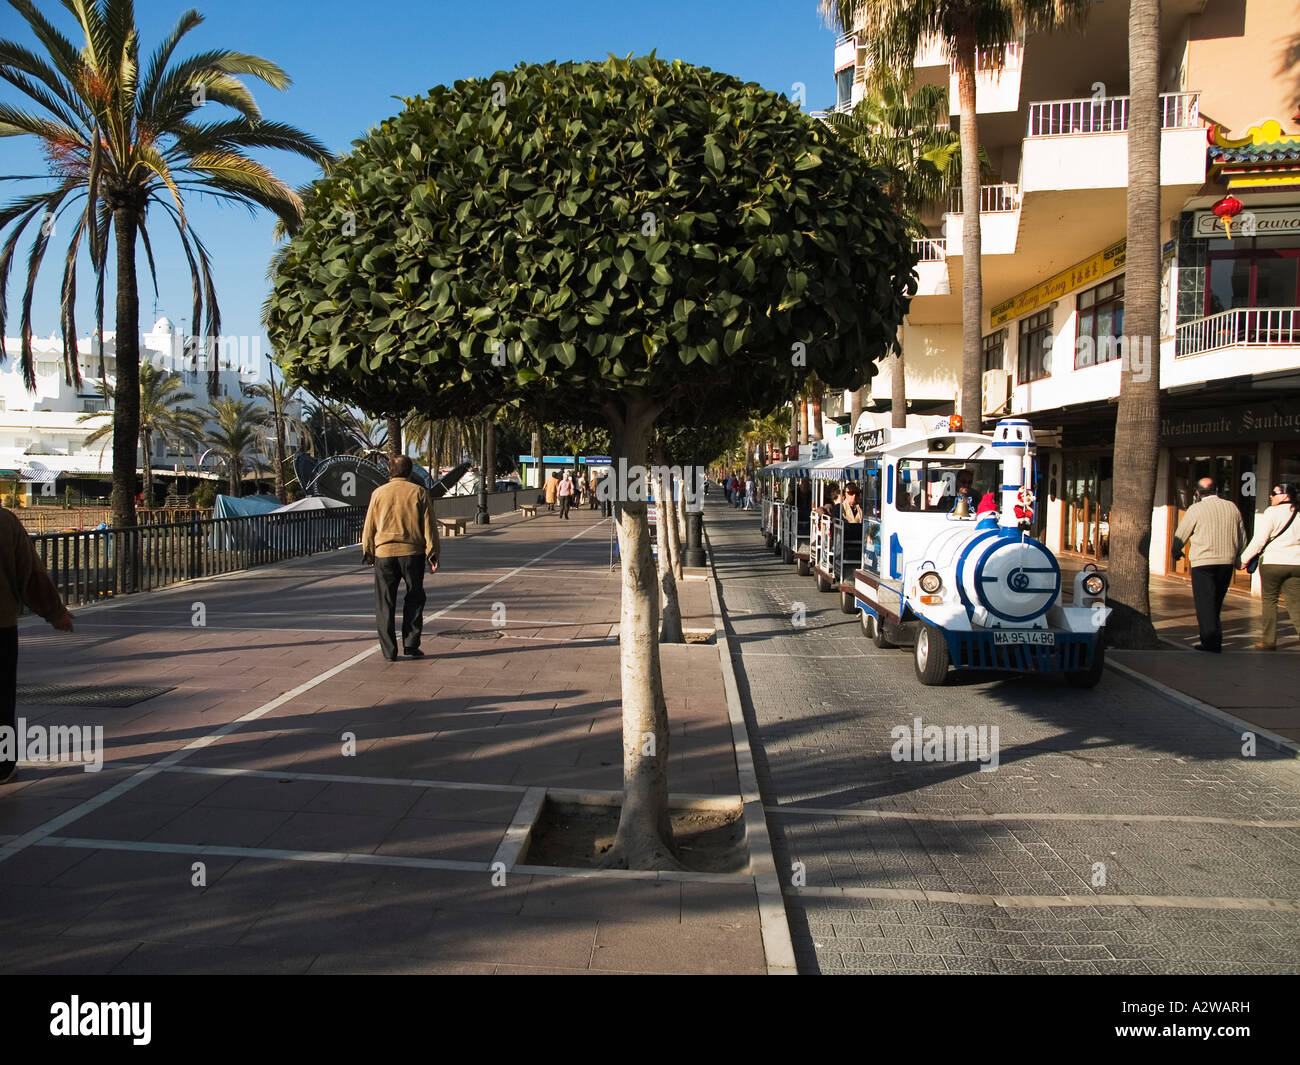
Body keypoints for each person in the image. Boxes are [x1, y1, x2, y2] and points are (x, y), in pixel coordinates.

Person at [1, 506, 76, 785]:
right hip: (1, 626)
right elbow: (30, 574)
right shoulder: (5, 522)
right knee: (1, 700)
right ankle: (2, 766)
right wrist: (54, 613)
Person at [362, 455, 440, 662]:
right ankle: (411, 645)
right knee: (414, 598)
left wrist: (368, 551)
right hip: (412, 554)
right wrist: (433, 553)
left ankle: (389, 650)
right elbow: (429, 526)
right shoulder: (419, 493)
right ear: (409, 471)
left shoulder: (378, 493)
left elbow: (369, 525)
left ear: (389, 471)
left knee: (385, 602)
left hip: (384, 554)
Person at [1171, 477, 1247, 653]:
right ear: (1217, 489)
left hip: (1203, 562)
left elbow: (1181, 533)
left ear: (1197, 492)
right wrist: (1239, 556)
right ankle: (1215, 638)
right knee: (1216, 602)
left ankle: (1211, 642)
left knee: (1205, 603)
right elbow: (1242, 535)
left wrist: (1176, 551)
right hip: (1226, 562)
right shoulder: (1232, 507)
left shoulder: (1195, 509)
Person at [1240, 482, 1300, 650]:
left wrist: (1244, 559)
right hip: (1296, 563)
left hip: (1273, 562)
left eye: (1275, 493)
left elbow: (1260, 540)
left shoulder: (1272, 512)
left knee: (1269, 601)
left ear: (1285, 496)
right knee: (1296, 603)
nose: (1271, 496)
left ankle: (1268, 641)